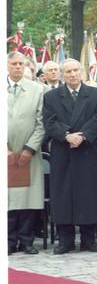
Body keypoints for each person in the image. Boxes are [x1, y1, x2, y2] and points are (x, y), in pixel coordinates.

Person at [43, 58, 97, 254]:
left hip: (88, 150)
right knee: (63, 195)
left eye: (75, 70)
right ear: (62, 74)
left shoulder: (96, 94)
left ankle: (89, 239)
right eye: (68, 71)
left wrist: (83, 136)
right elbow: (49, 121)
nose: (72, 74)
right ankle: (65, 240)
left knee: (89, 194)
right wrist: (66, 135)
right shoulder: (52, 96)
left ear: (82, 72)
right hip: (64, 150)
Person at [8, 52, 45, 255]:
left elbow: (41, 122)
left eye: (21, 64)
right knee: (8, 199)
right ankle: (8, 241)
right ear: (6, 65)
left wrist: (30, 148)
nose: (18, 67)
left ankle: (27, 240)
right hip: (5, 153)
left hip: (29, 153)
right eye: (14, 63)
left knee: (28, 198)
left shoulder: (36, 89)